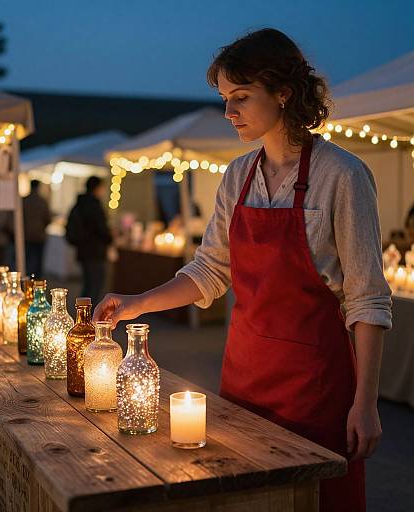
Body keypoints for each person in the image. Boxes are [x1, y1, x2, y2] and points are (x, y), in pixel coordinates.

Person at [94, 29, 391, 512]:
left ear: (284, 92)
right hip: (244, 378)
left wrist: (367, 402)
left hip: (316, 387)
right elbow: (210, 271)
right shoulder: (237, 175)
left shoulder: (344, 175)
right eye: (225, 99)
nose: (229, 112)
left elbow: (368, 301)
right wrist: (138, 302)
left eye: (241, 98)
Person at [66, 176, 112, 305]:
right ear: (97, 188)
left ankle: (83, 314)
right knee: (95, 285)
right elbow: (101, 229)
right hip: (95, 251)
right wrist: (110, 238)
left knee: (88, 283)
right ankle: (88, 317)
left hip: (83, 250)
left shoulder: (79, 204)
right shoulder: (94, 206)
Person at [23, 180, 51, 276]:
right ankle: (37, 284)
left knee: (27, 260)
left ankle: (29, 280)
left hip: (26, 235)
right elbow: (48, 218)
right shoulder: (42, 201)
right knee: (38, 261)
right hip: (39, 236)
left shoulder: (24, 201)